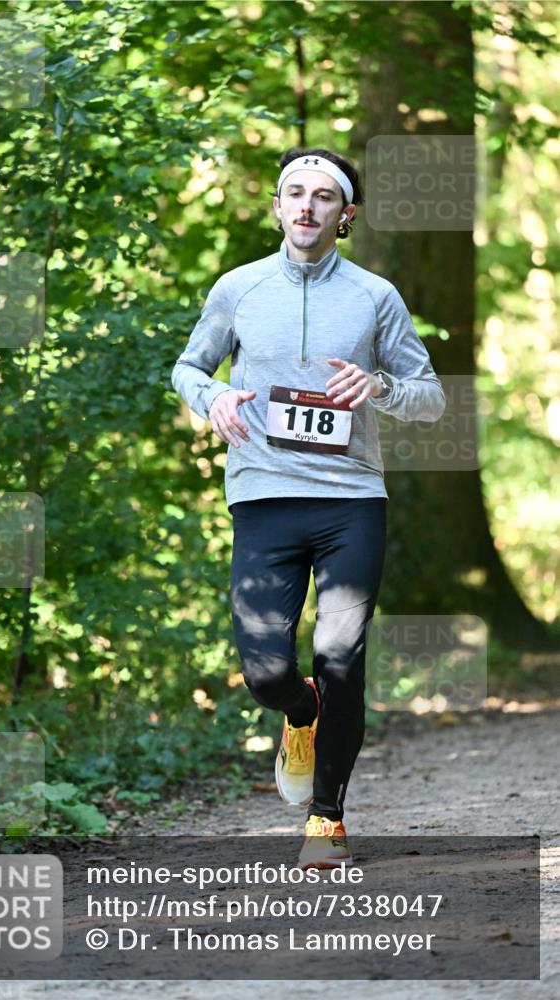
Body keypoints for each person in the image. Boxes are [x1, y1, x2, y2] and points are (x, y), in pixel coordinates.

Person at [171, 147, 446, 869]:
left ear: (344, 214)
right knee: (266, 672)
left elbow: (430, 397)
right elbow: (188, 367)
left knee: (340, 657)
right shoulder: (238, 288)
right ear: (276, 206)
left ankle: (326, 818)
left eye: (323, 197)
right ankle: (300, 713)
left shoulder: (373, 296)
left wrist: (379, 387)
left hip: (351, 498)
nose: (306, 206)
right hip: (262, 494)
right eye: (294, 193)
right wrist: (214, 397)